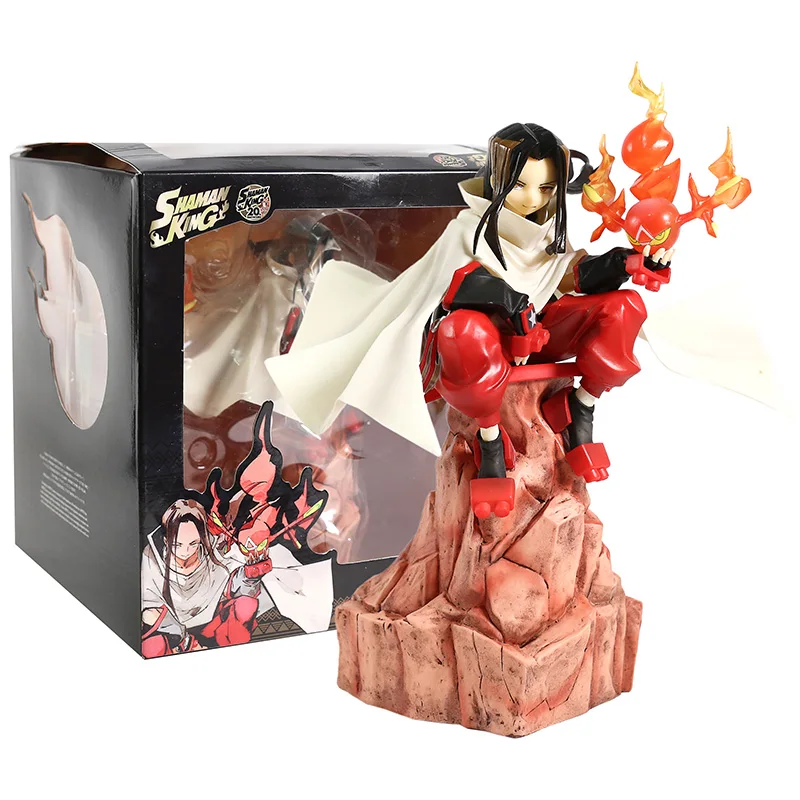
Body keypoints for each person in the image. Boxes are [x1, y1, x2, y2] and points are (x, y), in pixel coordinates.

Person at [267, 123, 672, 517]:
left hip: (539, 336)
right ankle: (491, 441)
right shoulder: (468, 229)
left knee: (625, 306)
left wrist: (627, 262)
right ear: (498, 179)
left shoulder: (548, 234)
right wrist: (509, 300)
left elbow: (571, 275)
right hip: (485, 346)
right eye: (520, 185)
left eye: (546, 188)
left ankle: (581, 406)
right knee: (460, 329)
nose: (533, 199)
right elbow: (454, 287)